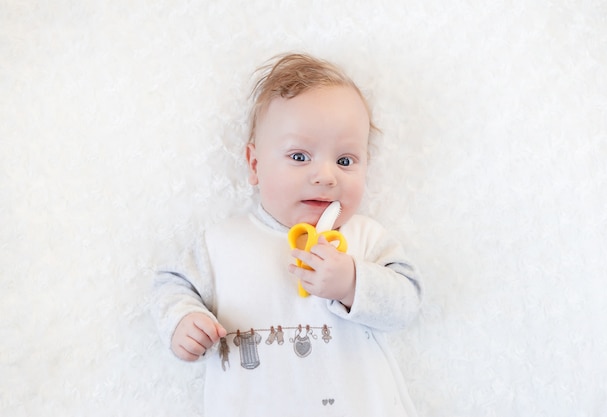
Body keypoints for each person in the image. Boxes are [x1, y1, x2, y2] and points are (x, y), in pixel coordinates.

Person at [152, 52, 421, 416]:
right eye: (299, 156)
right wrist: (183, 320)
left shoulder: (364, 238)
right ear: (255, 164)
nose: (326, 176)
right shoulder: (223, 243)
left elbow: (407, 302)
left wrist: (352, 283)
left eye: (345, 161)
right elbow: (172, 283)